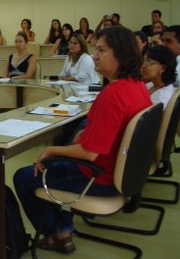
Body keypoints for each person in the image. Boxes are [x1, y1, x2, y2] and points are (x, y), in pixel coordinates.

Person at [14, 26, 152, 254]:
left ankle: (57, 235)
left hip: (97, 177)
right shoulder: (138, 87)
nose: (95, 55)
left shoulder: (112, 95)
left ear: (121, 54)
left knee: (25, 177)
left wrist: (50, 151)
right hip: (121, 173)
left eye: (101, 50)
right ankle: (64, 228)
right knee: (57, 163)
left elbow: (89, 154)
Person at [141, 45, 177, 109]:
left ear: (162, 68)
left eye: (149, 62)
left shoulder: (161, 98)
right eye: (144, 60)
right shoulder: (151, 84)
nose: (143, 66)